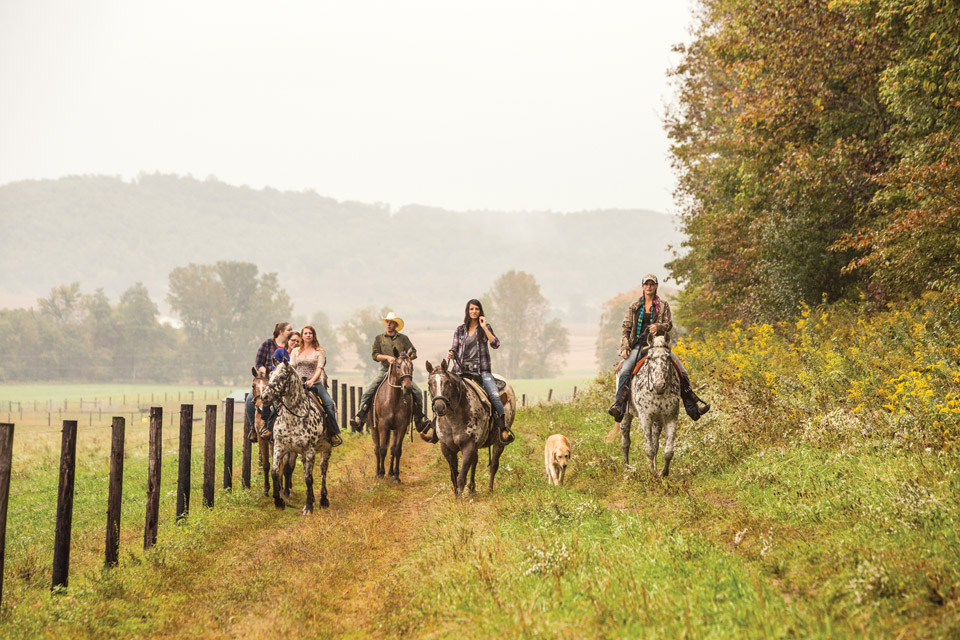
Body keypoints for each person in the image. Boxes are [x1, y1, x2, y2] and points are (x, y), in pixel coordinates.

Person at [608, 274, 710, 422]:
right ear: (643, 286)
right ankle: (619, 407)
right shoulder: (634, 307)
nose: (649, 286)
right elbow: (626, 328)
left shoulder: (663, 305)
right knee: (625, 371)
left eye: (652, 284)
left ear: (656, 286)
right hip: (638, 346)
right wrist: (625, 347)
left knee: (682, 372)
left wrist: (659, 326)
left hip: (658, 346)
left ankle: (693, 408)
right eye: (646, 284)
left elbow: (669, 324)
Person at [421, 299, 513, 445]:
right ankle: (435, 429)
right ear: (467, 311)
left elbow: (495, 344)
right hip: (461, 371)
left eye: (476, 309)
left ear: (480, 311)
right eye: (471, 309)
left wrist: (484, 327)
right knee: (443, 393)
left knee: (495, 396)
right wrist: (451, 353)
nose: (474, 311)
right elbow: (455, 347)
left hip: (481, 371)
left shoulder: (485, 327)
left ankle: (503, 428)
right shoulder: (460, 330)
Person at [349, 312, 431, 431]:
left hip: (402, 372)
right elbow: (374, 355)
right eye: (387, 322)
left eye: (391, 322)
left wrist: (405, 358)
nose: (388, 324)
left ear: (395, 324)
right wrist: (387, 357)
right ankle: (360, 418)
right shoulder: (379, 338)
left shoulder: (404, 338)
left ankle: (419, 419)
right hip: (385, 370)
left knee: (417, 392)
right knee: (368, 391)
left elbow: (414, 352)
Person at [290, 325, 342, 446]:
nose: (308, 335)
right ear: (302, 336)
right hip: (298, 383)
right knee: (279, 401)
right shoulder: (295, 351)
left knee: (329, 403)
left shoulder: (319, 351)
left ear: (313, 336)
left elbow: (319, 368)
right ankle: (271, 428)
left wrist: (312, 381)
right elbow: (292, 367)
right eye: (305, 333)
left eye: (310, 333)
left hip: (315, 383)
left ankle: (332, 433)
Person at [246, 321, 294, 441]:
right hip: (266, 379)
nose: (291, 332)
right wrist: (264, 371)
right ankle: (253, 427)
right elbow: (258, 362)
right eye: (289, 329)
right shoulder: (268, 344)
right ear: (281, 331)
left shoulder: (291, 345)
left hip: (282, 381)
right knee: (249, 399)